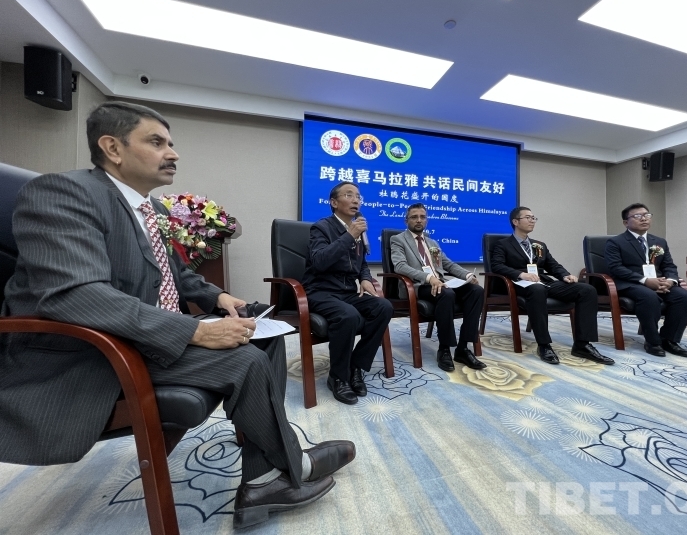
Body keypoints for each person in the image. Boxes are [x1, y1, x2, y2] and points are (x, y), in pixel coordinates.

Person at [0, 102, 354, 529]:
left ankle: (262, 474)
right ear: (112, 148)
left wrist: (220, 297)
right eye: (157, 142)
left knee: (262, 334)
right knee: (244, 360)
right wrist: (194, 332)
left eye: (171, 143)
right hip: (92, 352)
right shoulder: (64, 193)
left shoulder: (151, 209)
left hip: (140, 334)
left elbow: (175, 275)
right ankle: (288, 467)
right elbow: (75, 296)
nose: (173, 153)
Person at [301, 182, 393, 405]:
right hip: (321, 291)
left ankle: (356, 367)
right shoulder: (321, 228)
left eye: (358, 196)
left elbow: (362, 262)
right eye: (349, 195)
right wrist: (349, 236)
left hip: (347, 292)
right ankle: (338, 377)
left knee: (383, 307)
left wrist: (365, 278)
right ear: (334, 202)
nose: (355, 200)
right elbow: (320, 261)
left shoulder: (357, 229)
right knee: (348, 315)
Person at [490, 206, 613, 365]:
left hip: (543, 282)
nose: (532, 221)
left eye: (534, 218)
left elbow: (553, 265)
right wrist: (521, 274)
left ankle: (582, 344)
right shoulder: (503, 244)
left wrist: (565, 275)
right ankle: (544, 345)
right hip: (519, 284)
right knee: (537, 289)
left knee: (587, 290)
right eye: (528, 217)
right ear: (515, 222)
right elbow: (497, 266)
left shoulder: (539, 245)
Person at [390, 203, 486, 372]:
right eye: (414, 217)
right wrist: (429, 278)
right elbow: (400, 266)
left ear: (426, 220)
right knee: (446, 293)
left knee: (477, 291)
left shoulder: (432, 242)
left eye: (422, 217)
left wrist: (467, 275)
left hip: (440, 284)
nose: (419, 220)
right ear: (406, 220)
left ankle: (463, 348)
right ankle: (444, 349)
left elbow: (447, 264)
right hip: (418, 286)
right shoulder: (398, 240)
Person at [605, 203, 687, 357]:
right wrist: (645, 280)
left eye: (647, 215)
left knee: (685, 297)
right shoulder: (616, 242)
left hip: (659, 282)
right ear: (626, 222)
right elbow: (615, 268)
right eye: (637, 216)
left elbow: (669, 265)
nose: (644, 219)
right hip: (630, 283)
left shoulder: (659, 242)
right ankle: (653, 342)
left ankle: (669, 339)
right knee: (648, 296)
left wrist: (670, 281)